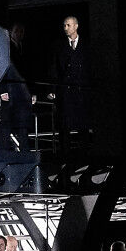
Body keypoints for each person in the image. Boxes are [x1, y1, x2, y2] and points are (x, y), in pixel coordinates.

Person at [49, 15, 92, 151]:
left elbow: (91, 68)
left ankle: (84, 154)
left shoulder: (86, 45)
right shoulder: (59, 46)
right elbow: (54, 68)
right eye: (64, 25)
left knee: (83, 126)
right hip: (66, 92)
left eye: (68, 25)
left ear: (76, 26)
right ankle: (65, 155)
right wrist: (53, 90)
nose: (66, 28)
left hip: (81, 92)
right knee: (65, 126)